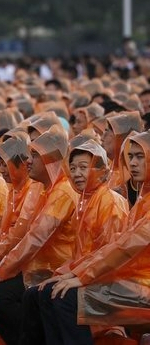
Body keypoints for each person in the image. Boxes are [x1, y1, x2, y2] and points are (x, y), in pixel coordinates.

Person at [36, 131, 150, 345]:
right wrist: (72, 273)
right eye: (131, 156)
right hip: (127, 277)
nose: (132, 163)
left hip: (141, 284)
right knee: (45, 293)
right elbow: (115, 246)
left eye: (140, 156)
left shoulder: (112, 201)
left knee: (65, 298)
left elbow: (125, 248)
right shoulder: (142, 198)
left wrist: (81, 276)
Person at [20, 139, 129, 344]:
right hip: (86, 272)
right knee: (37, 294)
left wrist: (74, 276)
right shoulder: (85, 201)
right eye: (73, 168)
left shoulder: (110, 202)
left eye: (83, 167)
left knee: (60, 296)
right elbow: (81, 254)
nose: (77, 173)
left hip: (107, 278)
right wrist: (62, 274)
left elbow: (108, 256)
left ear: (99, 169)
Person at [0, 126, 78, 345]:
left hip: (56, 268)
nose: (28, 161)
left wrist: (2, 270)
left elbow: (35, 237)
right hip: (37, 266)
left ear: (50, 160)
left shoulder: (62, 191)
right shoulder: (44, 188)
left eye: (34, 155)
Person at [0, 131, 43, 343]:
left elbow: (20, 237)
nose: (2, 170)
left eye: (6, 165)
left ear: (21, 164)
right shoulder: (14, 189)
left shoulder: (33, 189)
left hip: (36, 265)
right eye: (0, 165)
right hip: (15, 259)